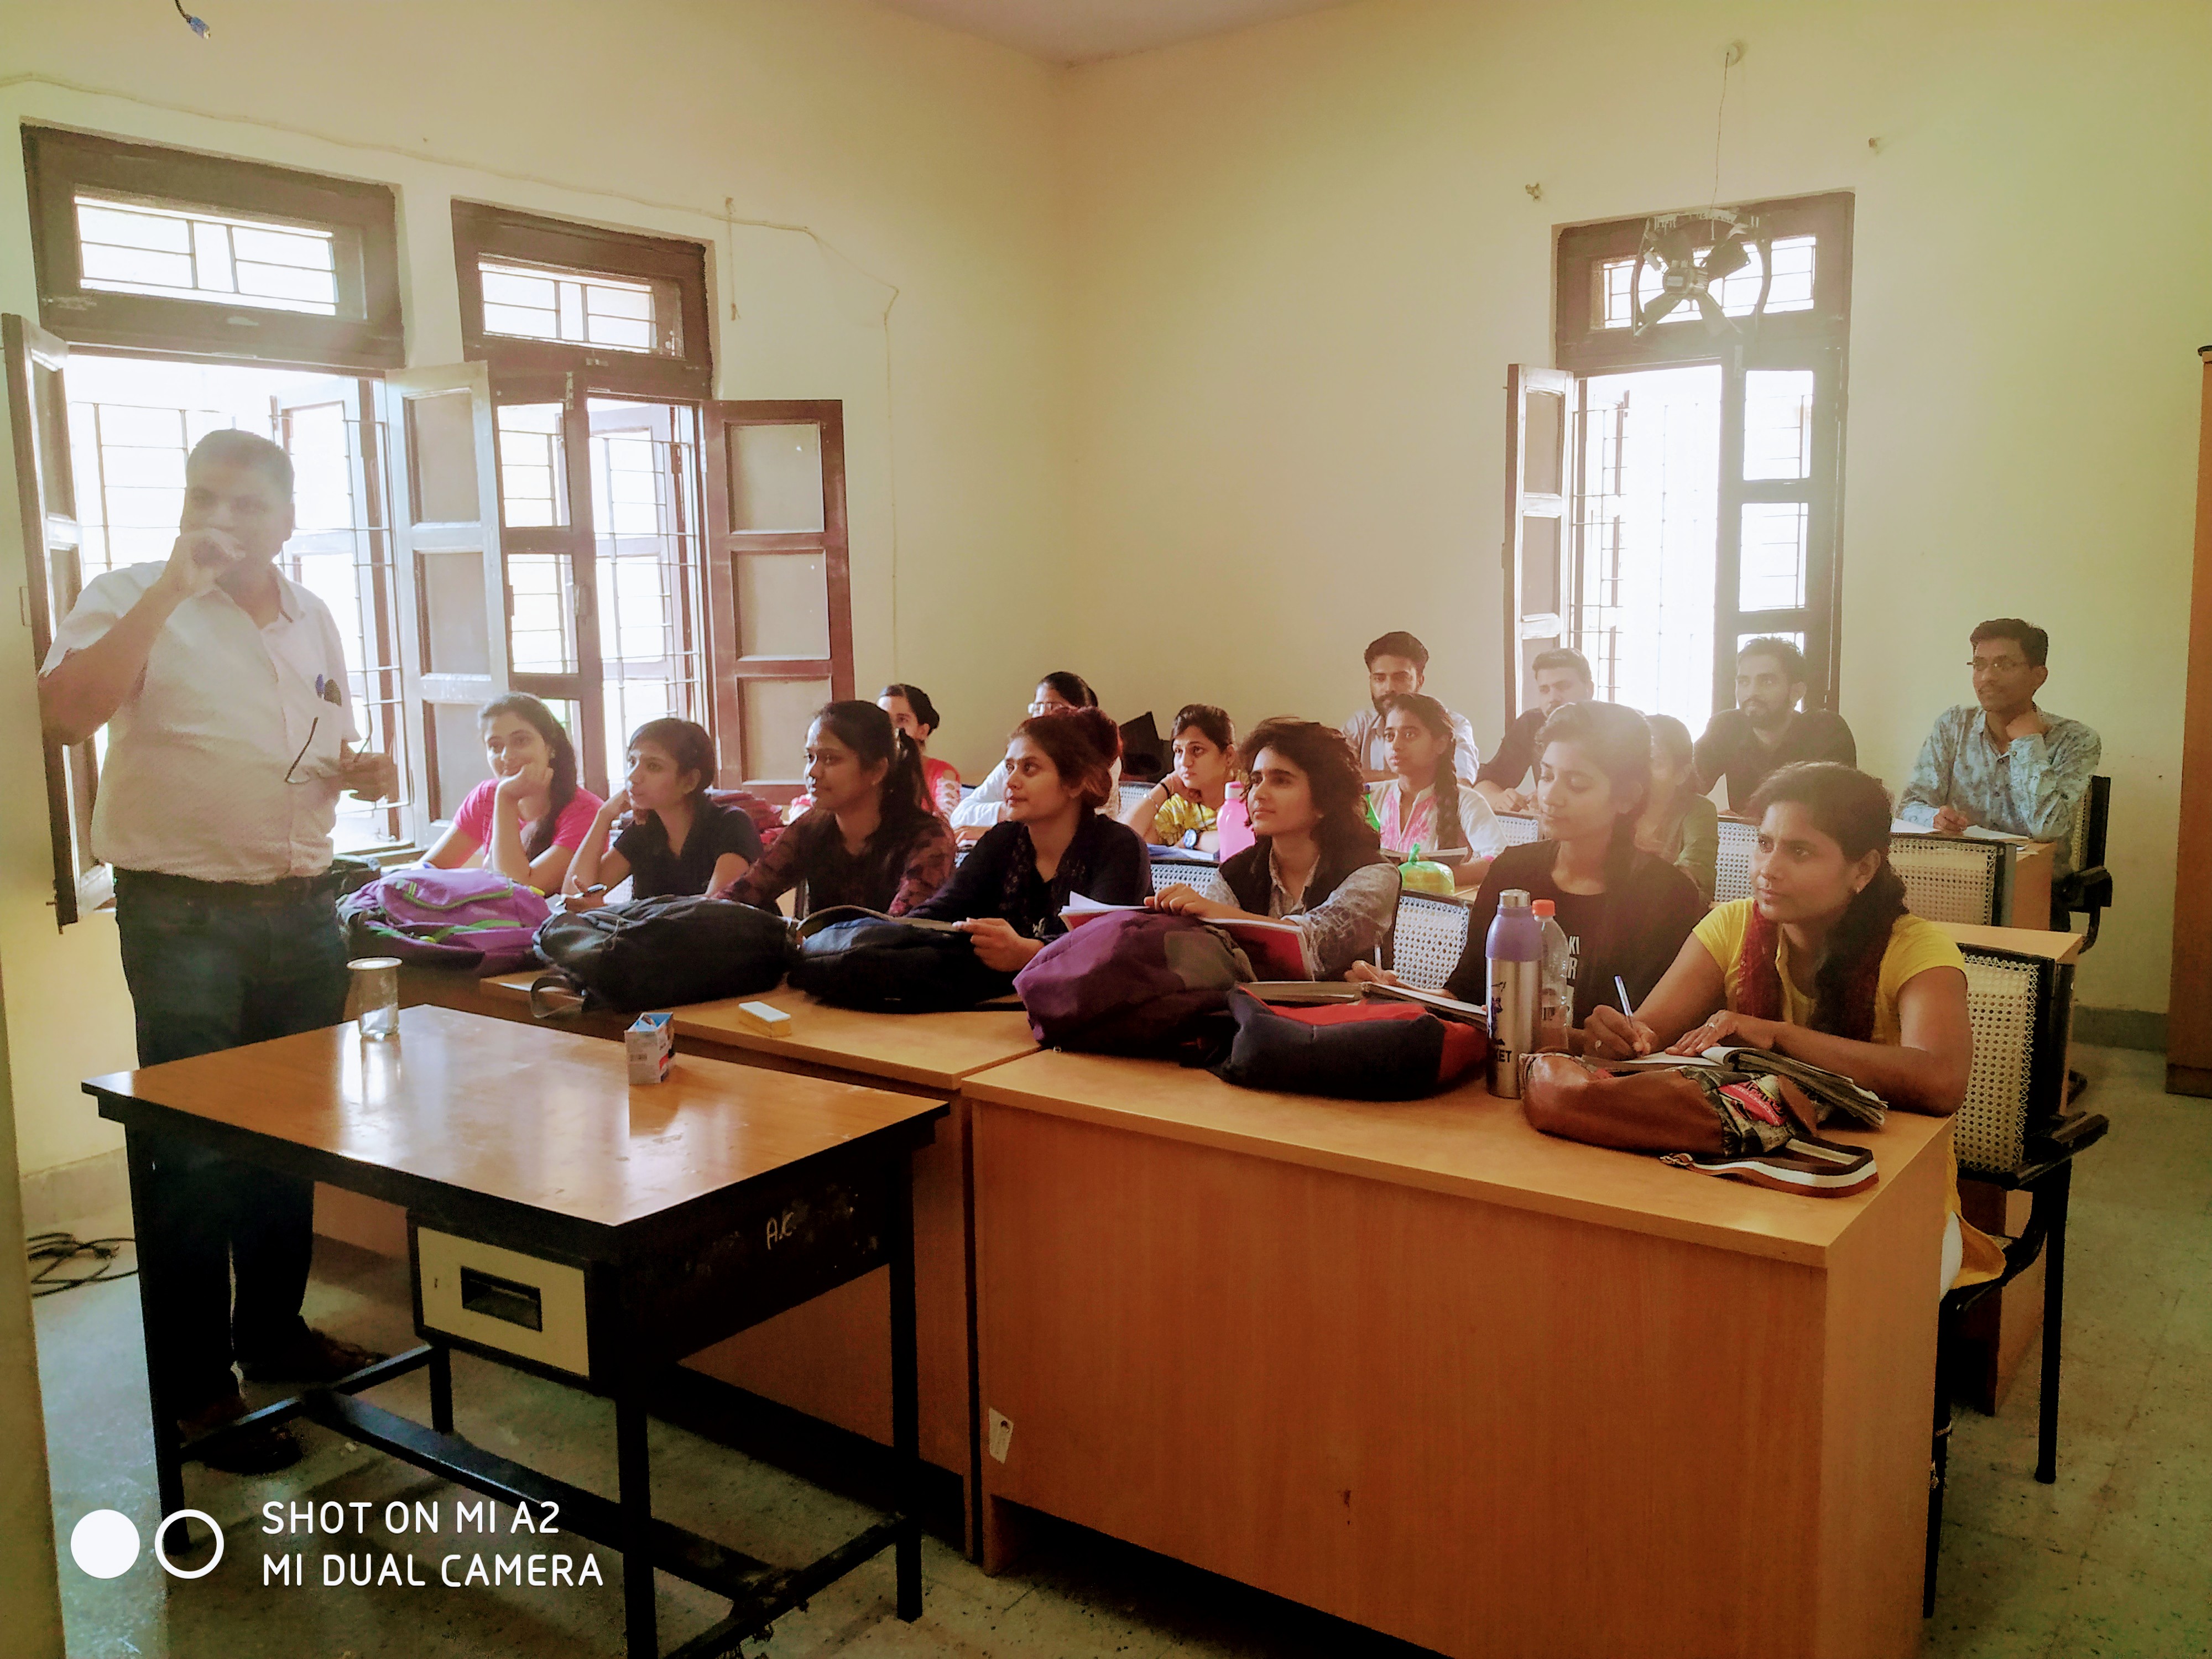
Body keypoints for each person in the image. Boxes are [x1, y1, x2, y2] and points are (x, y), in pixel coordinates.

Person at [36, 429, 398, 1472]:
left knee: (290, 1137)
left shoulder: (313, 614)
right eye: (205, 498)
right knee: (191, 1155)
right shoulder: (128, 596)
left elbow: (318, 743)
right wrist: (170, 590)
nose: (223, 520)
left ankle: (273, 1334)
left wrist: (364, 771)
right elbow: (64, 718)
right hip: (184, 919)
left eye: (247, 505)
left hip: (303, 908)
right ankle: (198, 1390)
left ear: (288, 520)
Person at [1586, 763, 1993, 1293]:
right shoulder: (1731, 926)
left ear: (1863, 869)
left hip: (1894, 1197)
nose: (1768, 869)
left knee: (1851, 1312)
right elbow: (1649, 1033)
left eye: (1799, 852)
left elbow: (1941, 1081)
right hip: (1756, 1170)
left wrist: (1780, 1038)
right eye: (1764, 844)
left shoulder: (1915, 948)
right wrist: (1623, 1035)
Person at [1426, 701, 1704, 1029]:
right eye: (1546, 776)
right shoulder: (1512, 871)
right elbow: (1465, 992)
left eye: (1577, 784)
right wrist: (1400, 992)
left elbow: (1640, 1032)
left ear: (1627, 798)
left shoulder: (1667, 896)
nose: (1550, 796)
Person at [1151, 719, 1400, 979]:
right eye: (1256, 780)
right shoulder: (1235, 874)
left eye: (1281, 781)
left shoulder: (1374, 875)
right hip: (1249, 1004)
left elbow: (1314, 947)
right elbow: (1215, 956)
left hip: (1347, 1005)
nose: (1259, 794)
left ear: (1326, 799)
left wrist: (1216, 913)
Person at [911, 707, 1150, 970]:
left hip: (1079, 990)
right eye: (1010, 768)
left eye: (1030, 768)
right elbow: (941, 912)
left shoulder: (1119, 848)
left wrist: (1030, 952)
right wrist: (889, 928)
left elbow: (1102, 946)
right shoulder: (1002, 839)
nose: (1011, 781)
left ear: (1074, 783)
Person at [1896, 618, 2101, 873]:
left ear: (2038, 677)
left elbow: (2046, 829)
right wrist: (1935, 819)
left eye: (2003, 665)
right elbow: (1909, 806)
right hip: (1957, 877)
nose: (1987, 677)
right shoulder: (1954, 725)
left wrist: (2028, 743)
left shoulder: (2076, 740)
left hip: (2035, 883)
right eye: (1979, 665)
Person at [721, 701, 955, 917]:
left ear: (877, 771)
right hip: (825, 949)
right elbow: (745, 892)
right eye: (810, 757)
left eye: (830, 759)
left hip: (891, 948)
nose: (813, 772)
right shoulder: (812, 827)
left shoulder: (928, 838)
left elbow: (901, 928)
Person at [564, 718, 760, 907]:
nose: (633, 776)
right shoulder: (644, 830)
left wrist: (615, 912)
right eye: (632, 762)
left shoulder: (731, 824)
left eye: (653, 767)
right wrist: (604, 816)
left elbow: (714, 908)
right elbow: (574, 896)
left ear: (690, 781)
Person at [421, 694, 604, 893]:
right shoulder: (486, 797)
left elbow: (518, 890)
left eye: (521, 741)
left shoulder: (586, 812)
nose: (507, 756)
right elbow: (427, 871)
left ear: (550, 747)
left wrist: (506, 799)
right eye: (495, 746)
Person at [1692, 637, 1857, 810]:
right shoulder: (1726, 727)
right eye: (1744, 682)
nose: (1752, 692)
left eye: (1767, 681)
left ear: (1797, 692)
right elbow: (1686, 784)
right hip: (1744, 829)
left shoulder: (1827, 731)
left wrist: (1749, 822)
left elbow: (1834, 810)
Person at [1366, 693, 1509, 885]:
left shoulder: (1466, 801)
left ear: (1441, 743)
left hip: (1433, 905)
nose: (1396, 745)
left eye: (1409, 735)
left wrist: (1437, 876)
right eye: (1389, 736)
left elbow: (1501, 861)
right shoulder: (1370, 796)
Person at [951, 671, 1112, 839]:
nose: (1042, 716)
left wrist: (1007, 827)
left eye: (1055, 708)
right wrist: (1009, 811)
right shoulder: (1019, 760)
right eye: (1038, 707)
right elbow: (960, 815)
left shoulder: (1097, 761)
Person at [1340, 631, 1480, 783]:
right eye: (1380, 679)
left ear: (1420, 681)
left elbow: (1461, 785)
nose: (1389, 688)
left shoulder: (1452, 725)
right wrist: (1400, 780)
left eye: (1400, 678)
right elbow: (1333, 775)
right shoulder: (1361, 724)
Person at [1475, 646, 1594, 813]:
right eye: (1545, 690)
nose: (1553, 698)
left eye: (1563, 687)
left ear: (1589, 689)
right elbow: (1486, 781)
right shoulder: (1532, 724)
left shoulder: (1617, 729)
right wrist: (1499, 799)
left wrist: (1550, 797)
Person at [1121, 704, 1236, 851]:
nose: (1184, 762)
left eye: (1197, 750)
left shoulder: (1251, 793)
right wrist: (1167, 785)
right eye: (1178, 751)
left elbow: (1240, 845)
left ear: (1229, 756)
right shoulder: (1180, 805)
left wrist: (1194, 839)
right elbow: (1124, 842)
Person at [1639, 713, 1720, 903]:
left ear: (1681, 774)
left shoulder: (1699, 810)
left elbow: (1691, 875)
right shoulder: (1619, 808)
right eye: (1638, 760)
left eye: (1655, 761)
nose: (1643, 771)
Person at [879, 683, 962, 817]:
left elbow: (947, 822)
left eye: (902, 720)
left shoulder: (942, 774)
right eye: (883, 719)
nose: (892, 728)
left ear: (923, 731)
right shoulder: (870, 772)